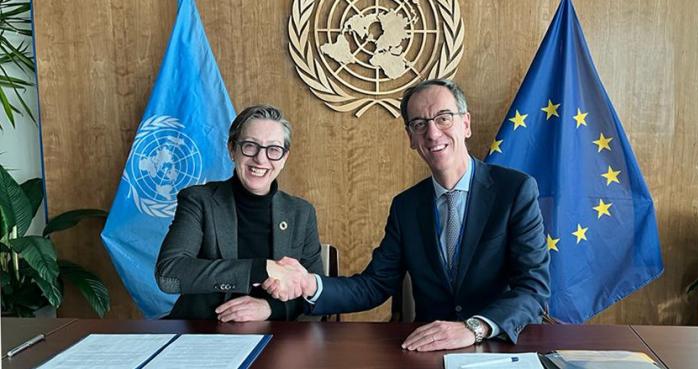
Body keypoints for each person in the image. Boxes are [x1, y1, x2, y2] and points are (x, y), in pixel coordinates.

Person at [265, 79, 550, 351]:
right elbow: (375, 285)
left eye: (443, 118)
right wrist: (309, 284)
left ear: (466, 124)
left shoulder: (515, 190)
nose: (433, 132)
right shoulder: (407, 206)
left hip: (498, 345)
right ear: (411, 138)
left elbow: (533, 288)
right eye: (419, 124)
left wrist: (473, 328)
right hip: (428, 349)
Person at [156, 104, 323, 321]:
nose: (261, 160)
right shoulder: (199, 200)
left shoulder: (301, 212)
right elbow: (169, 274)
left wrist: (270, 309)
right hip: (202, 332)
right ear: (232, 149)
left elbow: (317, 294)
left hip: (275, 336)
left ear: (284, 157)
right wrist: (259, 269)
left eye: (273, 149)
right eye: (250, 146)